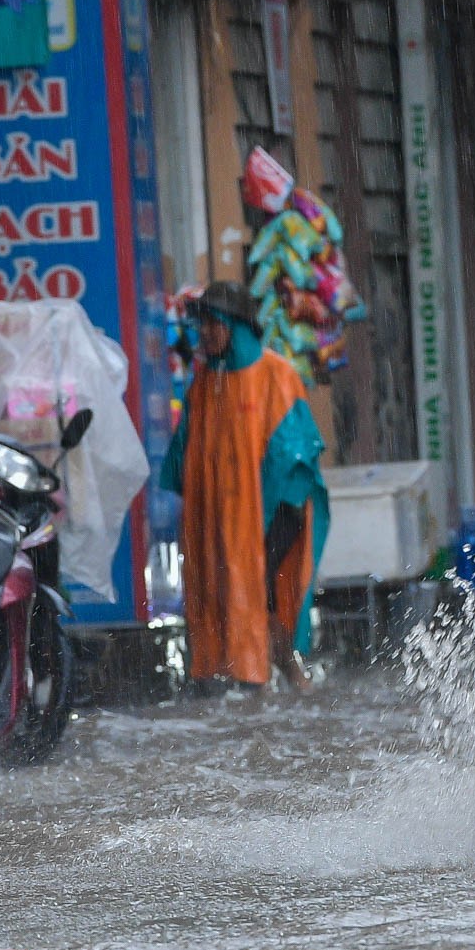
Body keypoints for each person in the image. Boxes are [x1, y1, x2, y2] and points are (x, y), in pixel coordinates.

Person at [161, 282, 329, 692]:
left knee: (260, 587)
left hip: (276, 510)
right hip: (227, 514)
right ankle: (263, 674)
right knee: (232, 587)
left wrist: (269, 505)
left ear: (234, 326)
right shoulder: (205, 382)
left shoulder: (276, 374)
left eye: (212, 325)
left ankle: (273, 672)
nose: (204, 334)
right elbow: (189, 448)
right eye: (201, 325)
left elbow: (294, 449)